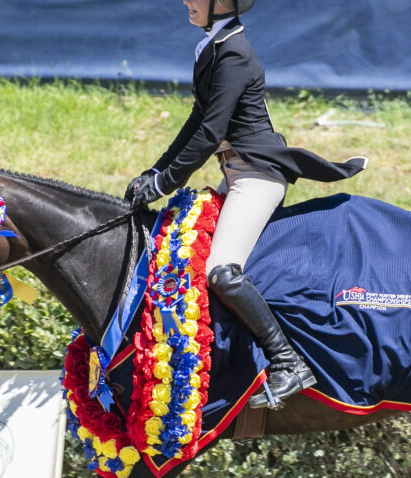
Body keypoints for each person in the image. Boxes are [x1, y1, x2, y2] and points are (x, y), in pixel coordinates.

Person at [125, 0, 367, 409]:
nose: (186, 1)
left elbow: (210, 132)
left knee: (220, 270)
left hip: (257, 177)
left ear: (220, 4)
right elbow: (196, 121)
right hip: (236, 173)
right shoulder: (215, 45)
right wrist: (154, 171)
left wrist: (166, 181)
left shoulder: (234, 51)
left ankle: (288, 363)